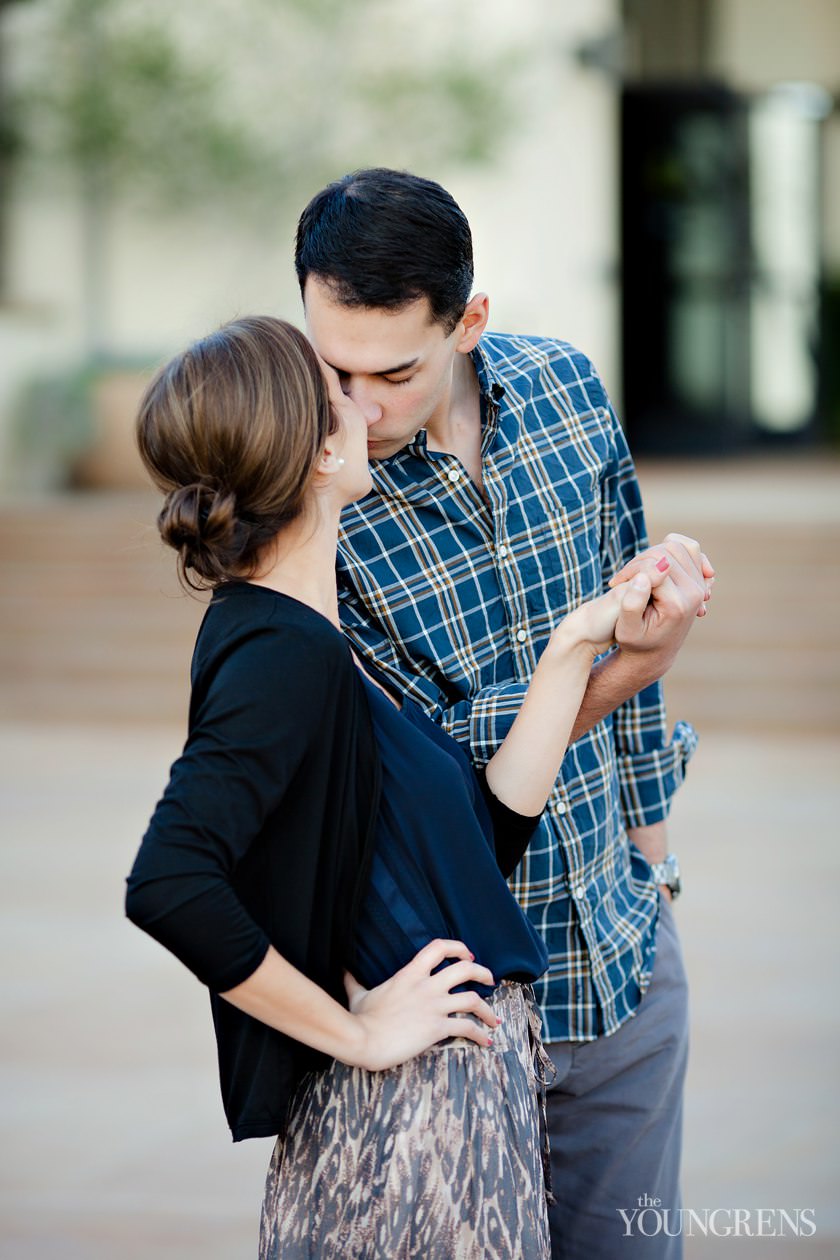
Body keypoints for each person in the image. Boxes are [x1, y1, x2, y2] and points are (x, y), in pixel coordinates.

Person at [124, 316, 670, 1259]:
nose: (366, 403)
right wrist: (358, 1032)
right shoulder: (275, 654)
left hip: (451, 1108)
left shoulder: (311, 639)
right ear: (320, 450)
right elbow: (169, 882)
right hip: (407, 1133)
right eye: (339, 387)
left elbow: (474, 849)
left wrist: (579, 643)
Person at [294, 167, 714, 1260]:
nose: (358, 408)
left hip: (623, 961)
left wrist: (655, 878)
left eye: (394, 371)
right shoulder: (309, 498)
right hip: (454, 1023)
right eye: (333, 365)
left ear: (470, 320)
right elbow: (429, 774)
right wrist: (621, 657)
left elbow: (638, 661)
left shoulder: (568, 389)